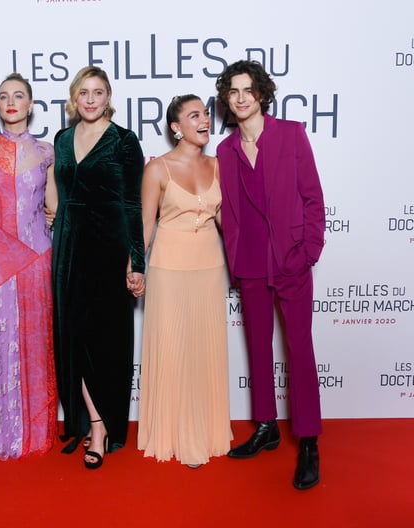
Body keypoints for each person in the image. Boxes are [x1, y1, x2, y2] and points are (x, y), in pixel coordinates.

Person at [215, 60, 325, 489]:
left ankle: (310, 441)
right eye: (233, 91)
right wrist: (236, 260)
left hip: (291, 258)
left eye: (248, 90)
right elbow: (230, 213)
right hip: (251, 263)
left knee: (299, 348)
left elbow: (313, 198)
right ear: (227, 99)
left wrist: (308, 251)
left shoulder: (291, 134)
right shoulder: (226, 151)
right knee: (258, 347)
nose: (241, 98)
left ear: (261, 94)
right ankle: (266, 426)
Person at [51, 66, 145, 470]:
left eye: (98, 92)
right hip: (68, 250)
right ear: (75, 97)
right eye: (83, 92)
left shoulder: (124, 140)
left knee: (105, 341)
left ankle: (105, 427)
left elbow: (132, 205)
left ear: (108, 97)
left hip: (108, 251)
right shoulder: (62, 138)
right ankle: (94, 422)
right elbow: (58, 192)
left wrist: (135, 261)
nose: (90, 99)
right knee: (74, 339)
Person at [137, 95, 232, 467]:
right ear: (176, 127)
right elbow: (146, 224)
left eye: (206, 113)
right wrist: (135, 268)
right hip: (168, 270)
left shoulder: (220, 165)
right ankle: (173, 432)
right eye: (195, 115)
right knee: (175, 347)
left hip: (209, 268)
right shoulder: (157, 169)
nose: (205, 120)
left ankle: (205, 431)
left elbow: (228, 223)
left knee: (203, 348)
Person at [0, 73, 58, 460]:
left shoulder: (46, 151)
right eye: (4, 96)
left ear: (30, 104)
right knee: (1, 334)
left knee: (36, 337)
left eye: (18, 95)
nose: (11, 101)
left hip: (37, 248)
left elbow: (53, 204)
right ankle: (5, 426)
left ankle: (36, 428)